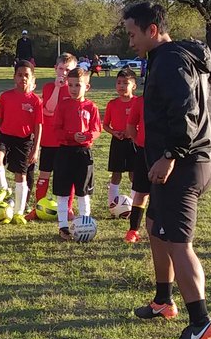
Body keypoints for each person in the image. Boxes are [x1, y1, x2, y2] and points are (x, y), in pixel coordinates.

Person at [122, 1, 211, 339]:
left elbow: (186, 108)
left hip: (182, 165)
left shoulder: (169, 60)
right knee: (154, 226)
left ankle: (201, 323)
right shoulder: (187, 57)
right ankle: (162, 300)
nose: (130, 42)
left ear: (151, 30)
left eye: (132, 34)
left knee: (180, 244)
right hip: (195, 160)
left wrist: (172, 154)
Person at [52, 66, 101, 239]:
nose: (73, 89)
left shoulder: (91, 107)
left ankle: (85, 224)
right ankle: (63, 226)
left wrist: (87, 136)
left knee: (83, 190)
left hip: (83, 153)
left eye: (77, 85)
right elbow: (56, 129)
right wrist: (72, 136)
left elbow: (97, 129)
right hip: (65, 152)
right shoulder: (63, 105)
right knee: (63, 191)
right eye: (70, 85)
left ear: (86, 87)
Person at [0, 60, 43, 224]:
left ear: (32, 78)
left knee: (21, 176)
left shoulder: (36, 101)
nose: (23, 78)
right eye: (19, 75)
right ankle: (4, 189)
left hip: (24, 141)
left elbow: (38, 126)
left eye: (26, 75)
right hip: (5, 137)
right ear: (14, 77)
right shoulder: (6, 96)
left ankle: (19, 211)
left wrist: (35, 149)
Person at [30, 53, 77, 218]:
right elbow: (49, 110)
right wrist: (57, 88)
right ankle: (39, 207)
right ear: (55, 69)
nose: (64, 73)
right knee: (44, 173)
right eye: (61, 69)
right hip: (50, 139)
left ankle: (68, 208)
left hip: (67, 141)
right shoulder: (49, 87)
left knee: (66, 175)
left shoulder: (74, 88)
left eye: (68, 70)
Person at [102, 67, 138, 210]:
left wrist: (132, 132)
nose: (121, 86)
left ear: (133, 86)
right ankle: (113, 204)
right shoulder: (112, 104)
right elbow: (105, 125)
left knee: (133, 174)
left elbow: (143, 123)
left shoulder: (138, 102)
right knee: (116, 173)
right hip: (117, 142)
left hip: (134, 142)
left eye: (125, 83)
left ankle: (135, 205)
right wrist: (114, 132)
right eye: (119, 83)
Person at [122, 84, 149, 244]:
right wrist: (139, 141)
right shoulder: (140, 101)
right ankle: (133, 230)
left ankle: (162, 228)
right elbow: (131, 125)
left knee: (164, 195)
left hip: (166, 154)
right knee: (141, 192)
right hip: (144, 152)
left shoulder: (169, 100)